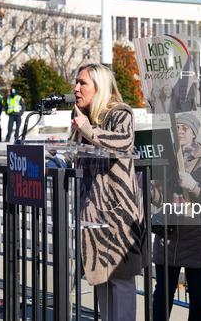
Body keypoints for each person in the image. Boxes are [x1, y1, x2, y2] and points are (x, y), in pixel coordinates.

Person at [49, 63, 147, 320]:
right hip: (92, 213)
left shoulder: (120, 112)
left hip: (117, 214)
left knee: (120, 278)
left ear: (99, 86)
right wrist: (55, 154)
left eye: (83, 83)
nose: (76, 88)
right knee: (101, 279)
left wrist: (87, 129)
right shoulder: (84, 118)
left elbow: (123, 143)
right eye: (77, 82)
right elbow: (74, 154)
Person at [152, 113, 201, 321]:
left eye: (185, 128)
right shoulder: (167, 158)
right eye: (178, 127)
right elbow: (160, 199)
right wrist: (147, 187)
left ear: (193, 133)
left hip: (197, 237)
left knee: (198, 294)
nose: (180, 131)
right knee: (162, 292)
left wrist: (194, 186)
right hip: (169, 235)